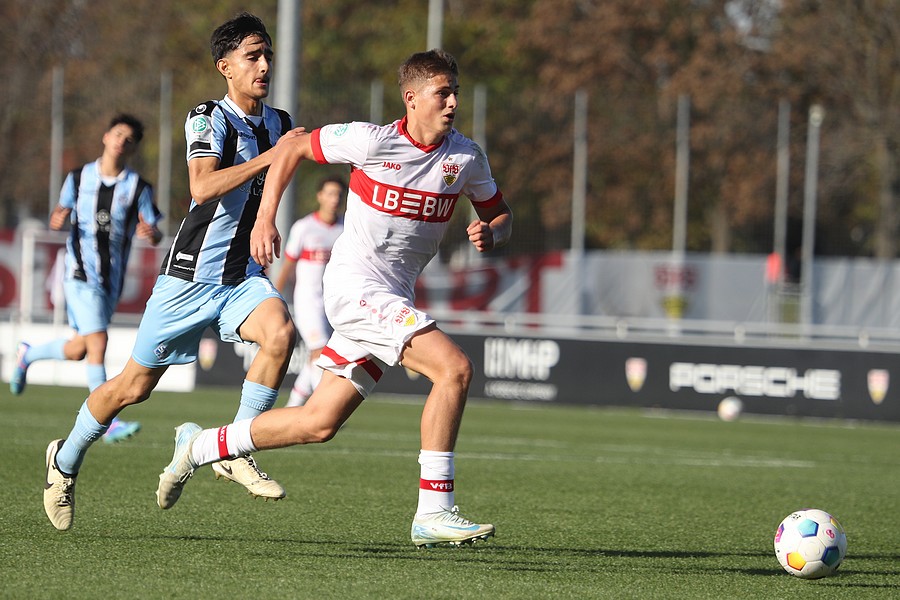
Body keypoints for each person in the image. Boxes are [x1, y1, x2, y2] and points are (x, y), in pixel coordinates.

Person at [156, 49, 513, 549]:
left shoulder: (466, 158)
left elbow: (501, 214)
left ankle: (198, 446)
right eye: (442, 92)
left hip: (390, 296)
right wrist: (266, 218)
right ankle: (434, 510)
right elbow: (293, 148)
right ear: (411, 99)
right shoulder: (369, 140)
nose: (453, 101)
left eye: (455, 91)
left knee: (318, 423)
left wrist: (492, 233)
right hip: (355, 290)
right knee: (453, 369)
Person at [42, 12, 303, 531]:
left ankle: (234, 447)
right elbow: (202, 188)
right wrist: (273, 156)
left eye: (268, 54)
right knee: (131, 388)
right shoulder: (206, 116)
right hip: (189, 276)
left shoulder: (278, 121)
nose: (265, 64)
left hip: (241, 275)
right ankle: (63, 461)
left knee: (281, 334)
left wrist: (269, 214)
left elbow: (276, 177)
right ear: (224, 66)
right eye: (253, 55)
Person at [11, 114, 162, 444]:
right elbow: (60, 213)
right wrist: (57, 217)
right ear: (106, 137)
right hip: (79, 272)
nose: (122, 141)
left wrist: (151, 233)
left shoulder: (138, 186)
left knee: (80, 348)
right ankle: (107, 421)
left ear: (132, 149)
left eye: (129, 139)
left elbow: (154, 231)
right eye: (118, 134)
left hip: (111, 280)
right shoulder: (78, 177)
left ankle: (28, 354)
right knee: (99, 343)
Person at [273, 175, 346, 407]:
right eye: (330, 193)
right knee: (320, 350)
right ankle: (323, 405)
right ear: (320, 196)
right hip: (307, 300)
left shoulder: (346, 228)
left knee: (316, 355)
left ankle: (293, 405)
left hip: (332, 303)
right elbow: (288, 265)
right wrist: (275, 296)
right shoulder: (304, 227)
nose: (334, 199)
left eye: (338, 195)